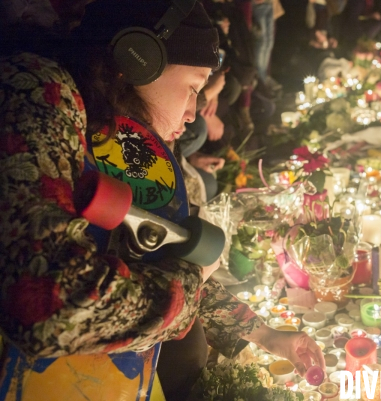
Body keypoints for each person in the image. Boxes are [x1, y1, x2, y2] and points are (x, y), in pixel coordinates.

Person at [0, 0, 324, 399]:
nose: (193, 113)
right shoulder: (37, 93)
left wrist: (265, 335)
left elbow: (152, 264)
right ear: (140, 59)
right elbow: (48, 307)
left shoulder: (113, 127)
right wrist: (187, 285)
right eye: (192, 87)